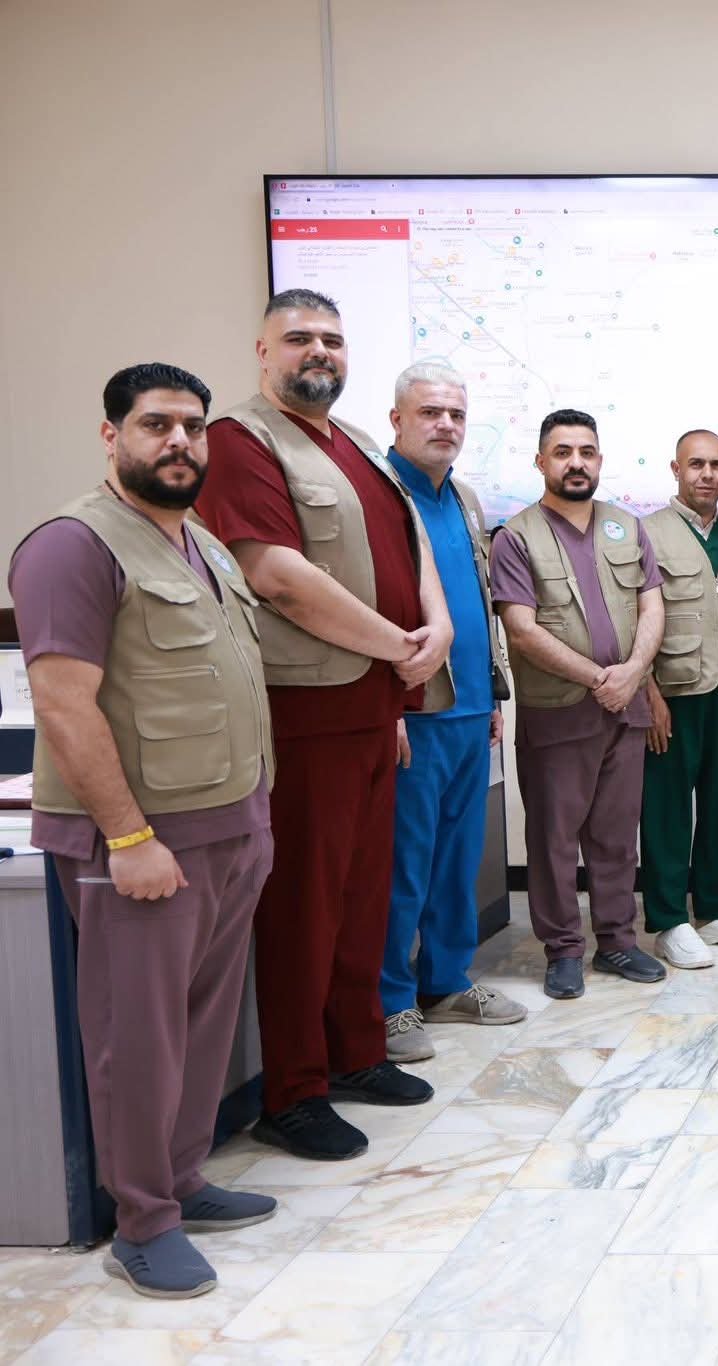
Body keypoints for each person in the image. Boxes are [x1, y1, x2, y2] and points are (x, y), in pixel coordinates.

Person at [14, 364, 277, 1298]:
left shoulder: (198, 542)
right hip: (143, 844)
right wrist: (128, 839)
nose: (179, 442)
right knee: (138, 1036)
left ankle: (181, 1178)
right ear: (111, 434)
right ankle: (143, 1222)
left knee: (201, 1026)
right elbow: (64, 704)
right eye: (156, 424)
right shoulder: (72, 546)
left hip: (229, 825)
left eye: (193, 427)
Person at [196, 290, 452, 1162]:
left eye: (334, 340)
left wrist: (436, 629)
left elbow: (414, 546)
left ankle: (356, 1052)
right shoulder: (241, 442)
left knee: (360, 899)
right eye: (299, 337)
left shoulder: (358, 446)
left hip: (373, 711)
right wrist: (398, 646)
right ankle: (295, 1092)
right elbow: (274, 573)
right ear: (262, 351)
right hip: (306, 712)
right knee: (303, 910)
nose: (320, 352)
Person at [489, 409, 669, 999]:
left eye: (586, 452)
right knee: (554, 839)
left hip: (625, 710)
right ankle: (563, 949)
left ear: (599, 460)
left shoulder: (627, 526)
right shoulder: (516, 536)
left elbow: (652, 606)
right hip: (560, 711)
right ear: (541, 461)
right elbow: (521, 629)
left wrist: (634, 673)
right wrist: (600, 678)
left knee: (617, 835)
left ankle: (617, 941)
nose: (576, 463)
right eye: (563, 452)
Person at [379, 363, 526, 1064]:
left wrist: (491, 694)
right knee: (404, 864)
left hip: (469, 709)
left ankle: (445, 981)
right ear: (397, 420)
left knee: (459, 859)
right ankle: (390, 1002)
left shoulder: (464, 498)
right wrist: (388, 708)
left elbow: (480, 599)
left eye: (456, 415)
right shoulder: (378, 493)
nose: (445, 425)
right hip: (413, 713)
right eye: (430, 412)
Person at [639, 429, 718, 968]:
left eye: (716, 465)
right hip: (672, 694)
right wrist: (646, 693)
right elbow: (631, 620)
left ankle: (717, 911)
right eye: (696, 464)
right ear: (676, 469)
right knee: (667, 809)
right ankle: (669, 920)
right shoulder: (646, 534)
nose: (707, 474)